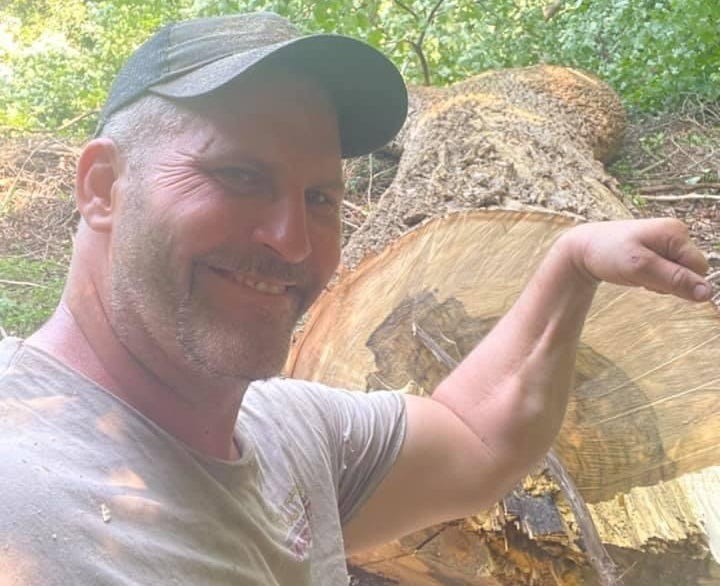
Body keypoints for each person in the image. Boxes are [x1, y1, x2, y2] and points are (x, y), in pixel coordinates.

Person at [0, 11, 712, 586]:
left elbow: (475, 438)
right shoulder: (25, 491)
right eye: (239, 174)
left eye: (318, 197)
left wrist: (571, 266)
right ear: (103, 188)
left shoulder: (289, 434)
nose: (292, 241)